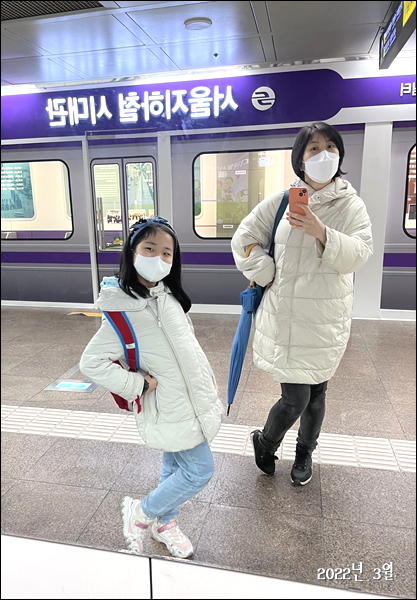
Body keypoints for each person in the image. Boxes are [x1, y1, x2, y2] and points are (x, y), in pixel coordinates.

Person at [231, 122, 373, 486]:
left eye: (330, 147)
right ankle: (266, 443)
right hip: (288, 317)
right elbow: (244, 238)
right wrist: (266, 271)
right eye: (314, 149)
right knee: (294, 399)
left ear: (340, 154)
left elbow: (360, 254)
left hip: (326, 318)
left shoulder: (351, 205)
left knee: (317, 396)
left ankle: (304, 453)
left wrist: (321, 232)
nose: (324, 154)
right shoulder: (283, 200)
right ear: (300, 159)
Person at [80, 216, 223, 558]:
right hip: (166, 406)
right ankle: (142, 512)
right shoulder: (120, 311)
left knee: (174, 465)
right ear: (132, 253)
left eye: (166, 253)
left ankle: (165, 522)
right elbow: (91, 362)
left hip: (190, 400)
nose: (158, 258)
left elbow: (187, 346)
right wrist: (136, 384)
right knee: (200, 471)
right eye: (149, 249)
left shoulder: (170, 297)